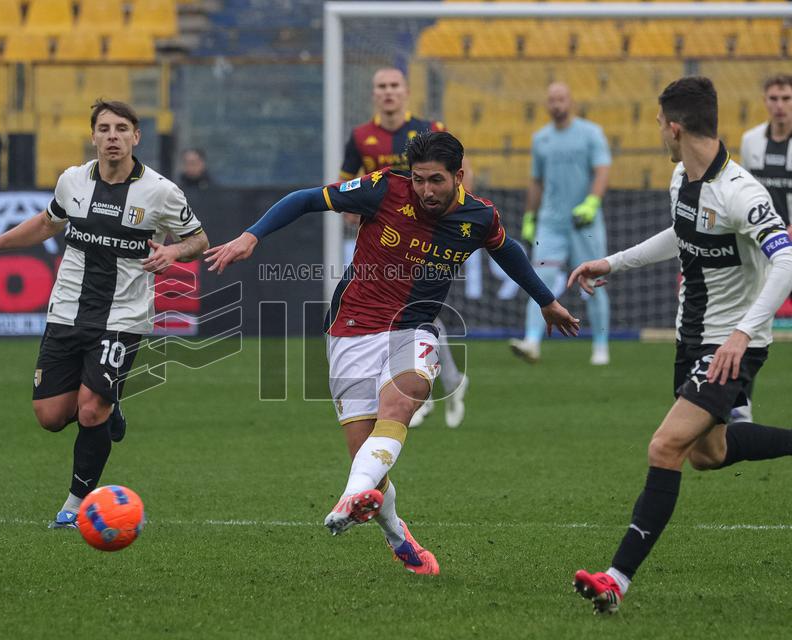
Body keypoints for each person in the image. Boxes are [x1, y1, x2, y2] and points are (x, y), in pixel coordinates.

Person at [206, 132, 579, 575]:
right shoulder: (383, 188)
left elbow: (508, 251)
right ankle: (398, 536)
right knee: (368, 461)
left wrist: (545, 300)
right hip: (351, 330)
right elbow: (305, 199)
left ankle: (348, 500)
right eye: (419, 180)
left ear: (458, 176)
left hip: (413, 327)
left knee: (404, 399)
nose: (426, 190)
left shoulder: (479, 217)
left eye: (436, 180)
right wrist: (252, 235)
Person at [568, 77, 792, 614]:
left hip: (731, 344)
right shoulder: (681, 178)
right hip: (691, 339)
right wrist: (613, 262)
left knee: (664, 447)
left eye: (658, 124)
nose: (657, 133)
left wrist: (743, 333)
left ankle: (615, 580)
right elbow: (680, 233)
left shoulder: (742, 192)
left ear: (674, 128)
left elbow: (786, 260)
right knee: (707, 455)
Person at [0, 100, 208, 529]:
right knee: (51, 417)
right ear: (93, 136)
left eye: (122, 129)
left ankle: (75, 506)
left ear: (136, 136)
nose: (113, 136)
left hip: (123, 316)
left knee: (90, 410)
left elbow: (199, 240)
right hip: (66, 311)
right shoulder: (72, 181)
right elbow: (47, 223)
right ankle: (111, 405)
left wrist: (173, 252)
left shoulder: (161, 191)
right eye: (105, 128)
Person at [341, 67, 473, 429]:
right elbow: (345, 181)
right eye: (381, 86)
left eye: (394, 85)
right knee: (402, 314)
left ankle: (419, 389)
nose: (388, 92)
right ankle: (442, 382)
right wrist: (352, 210)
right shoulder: (360, 137)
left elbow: (461, 173)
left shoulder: (430, 130)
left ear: (406, 91)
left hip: (424, 239)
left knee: (416, 312)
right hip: (382, 242)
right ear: (374, 94)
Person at [510, 82, 612, 366]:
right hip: (550, 224)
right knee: (539, 281)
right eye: (552, 100)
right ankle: (531, 341)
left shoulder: (591, 133)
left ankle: (601, 345)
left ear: (571, 101)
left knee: (593, 283)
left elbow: (602, 170)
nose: (557, 104)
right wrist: (530, 217)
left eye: (561, 99)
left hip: (584, 223)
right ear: (547, 104)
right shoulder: (540, 139)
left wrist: (592, 202)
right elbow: (536, 181)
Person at [736, 73, 792, 422]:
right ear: (765, 101)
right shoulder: (751, 141)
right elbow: (746, 192)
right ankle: (740, 405)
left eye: (786, 98)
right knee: (750, 323)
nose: (780, 105)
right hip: (764, 248)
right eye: (774, 98)